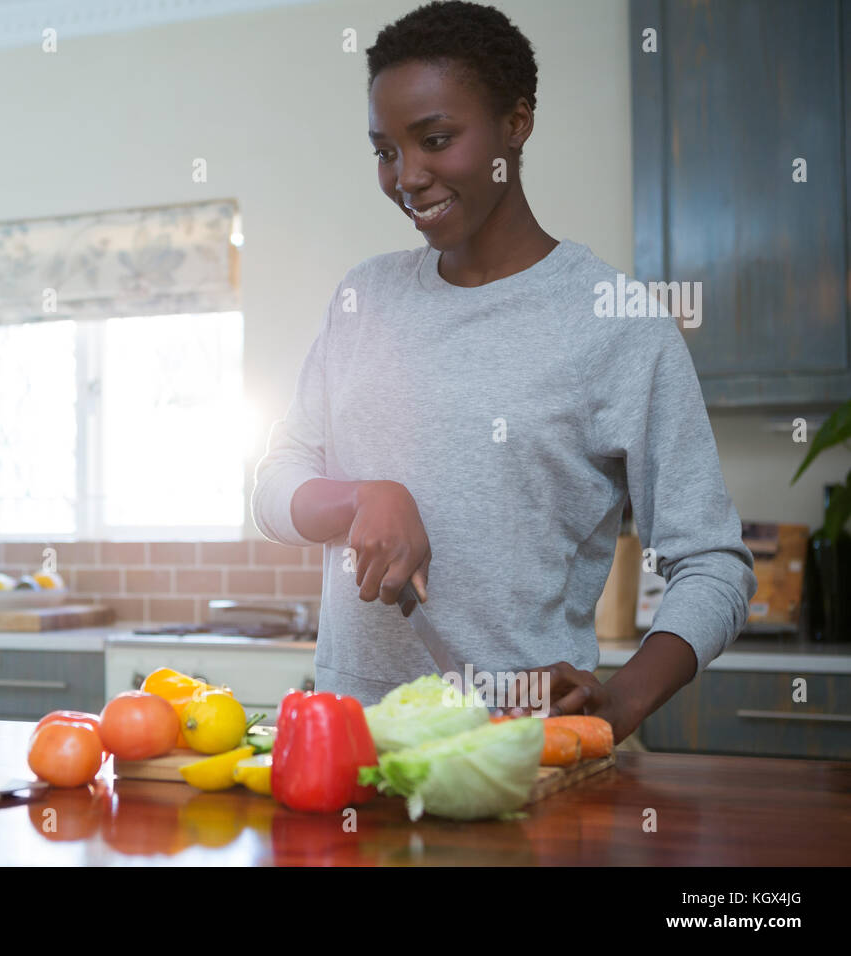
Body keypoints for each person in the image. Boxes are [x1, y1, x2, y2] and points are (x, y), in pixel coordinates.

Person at [249, 0, 756, 742]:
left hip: (518, 755)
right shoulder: (363, 298)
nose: (407, 177)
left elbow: (714, 562)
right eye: (385, 151)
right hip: (346, 751)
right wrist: (363, 496)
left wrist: (621, 702)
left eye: (436, 140)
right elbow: (271, 486)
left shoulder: (616, 322)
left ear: (515, 124)